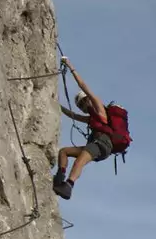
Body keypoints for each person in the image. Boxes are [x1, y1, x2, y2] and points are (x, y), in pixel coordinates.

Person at [52, 56, 123, 199]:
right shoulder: (91, 118)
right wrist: (55, 104)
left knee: (80, 160)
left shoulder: (99, 108)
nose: (83, 107)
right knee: (64, 152)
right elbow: (73, 116)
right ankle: (59, 178)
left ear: (87, 99)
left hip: (102, 144)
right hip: (96, 145)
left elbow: (83, 85)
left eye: (83, 103)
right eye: (80, 106)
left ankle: (69, 185)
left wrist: (70, 67)